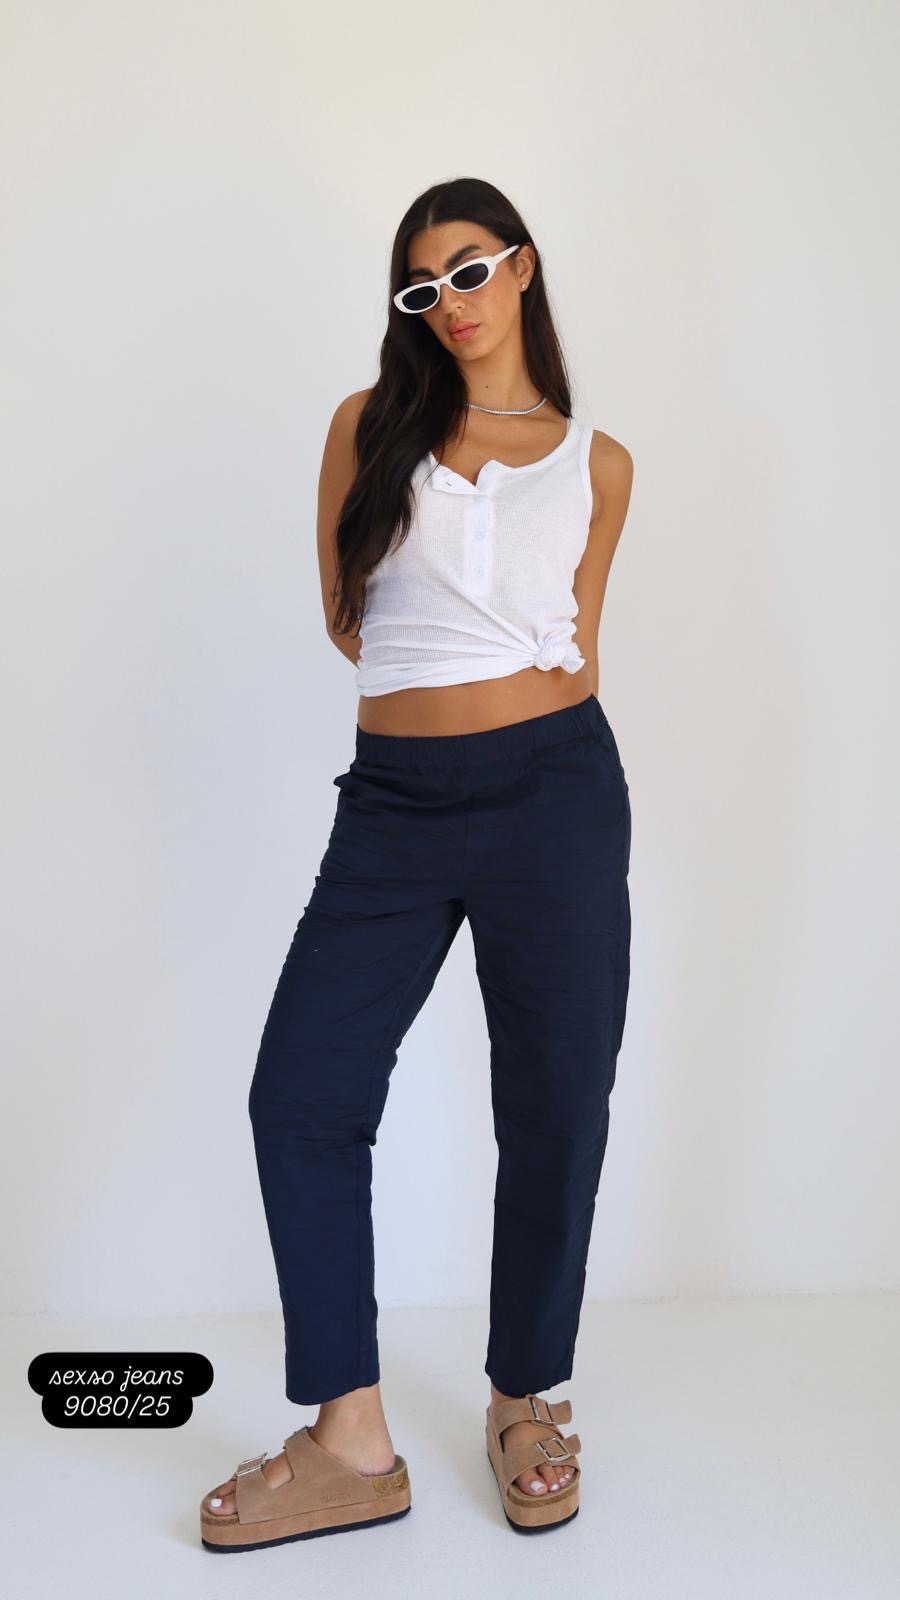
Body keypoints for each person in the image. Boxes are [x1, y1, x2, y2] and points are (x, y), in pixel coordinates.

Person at [199, 176, 633, 1550]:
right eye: (422, 285)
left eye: (470, 269)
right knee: (301, 1097)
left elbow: (577, 636)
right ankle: (352, 1439)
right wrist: (437, 702)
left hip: (557, 794)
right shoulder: (367, 425)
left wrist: (506, 712)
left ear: (523, 268)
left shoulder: (597, 463)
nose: (449, 301)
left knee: (555, 1105)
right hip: (393, 805)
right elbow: (351, 617)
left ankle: (525, 1397)